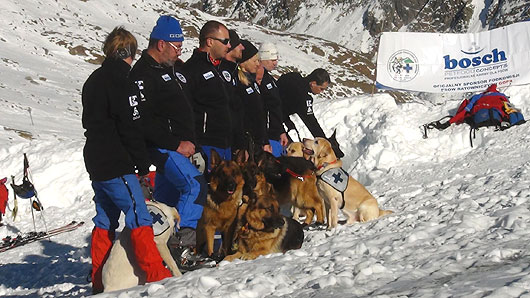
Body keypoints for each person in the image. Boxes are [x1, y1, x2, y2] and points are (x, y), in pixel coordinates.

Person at [82, 26, 171, 294]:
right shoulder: (124, 81)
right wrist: (142, 163)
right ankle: (156, 275)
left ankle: (99, 280)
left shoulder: (93, 79)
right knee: (139, 215)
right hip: (116, 160)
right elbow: (130, 126)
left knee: (104, 219)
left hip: (96, 160)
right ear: (127, 53)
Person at [129, 16, 209, 270]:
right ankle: (181, 249)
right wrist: (176, 143)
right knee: (195, 187)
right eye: (176, 47)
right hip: (164, 147)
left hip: (180, 147)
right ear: (161, 44)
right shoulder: (143, 74)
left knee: (167, 201)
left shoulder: (169, 70)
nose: (179, 52)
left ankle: (159, 250)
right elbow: (143, 121)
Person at [183, 21, 233, 163]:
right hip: (205, 144)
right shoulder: (192, 69)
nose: (229, 46)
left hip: (227, 144)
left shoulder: (223, 68)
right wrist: (195, 144)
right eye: (225, 41)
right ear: (210, 41)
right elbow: (186, 110)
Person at [236, 39, 271, 154]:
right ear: (244, 62)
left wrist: (264, 140)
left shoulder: (253, 82)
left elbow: (260, 113)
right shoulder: (239, 83)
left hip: (257, 141)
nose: (258, 64)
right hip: (246, 142)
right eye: (255, 61)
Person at [257, 42, 288, 157]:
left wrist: (281, 130)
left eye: (276, 59)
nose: (275, 63)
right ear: (262, 60)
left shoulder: (270, 79)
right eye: (271, 60)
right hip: (266, 135)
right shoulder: (259, 80)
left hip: (275, 134)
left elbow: (276, 108)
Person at [220, 30, 246, 153]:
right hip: (222, 141)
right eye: (238, 44)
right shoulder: (222, 72)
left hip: (233, 142)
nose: (242, 47)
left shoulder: (233, 71)